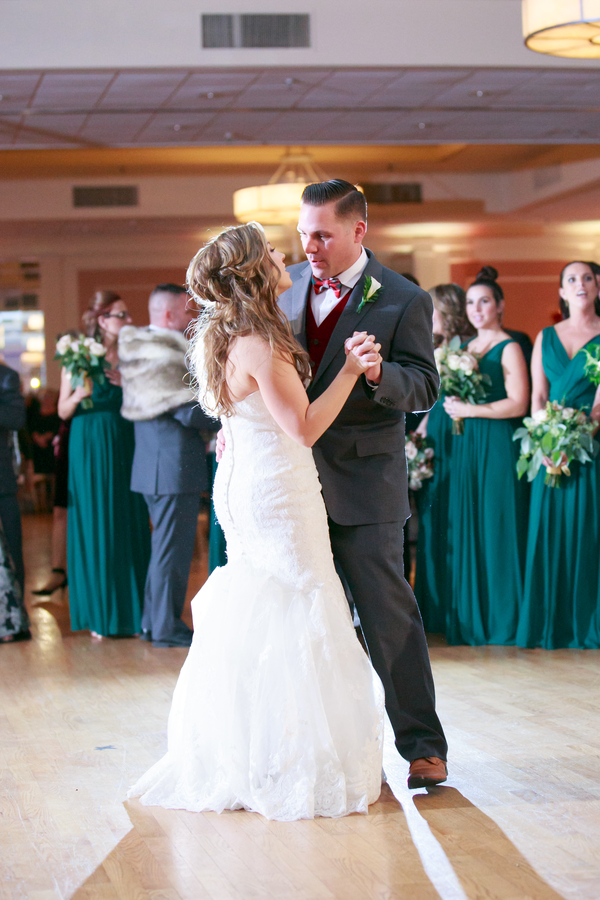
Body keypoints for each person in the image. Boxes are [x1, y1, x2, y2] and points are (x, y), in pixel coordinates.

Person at [129, 222, 385, 820]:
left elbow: (238, 412)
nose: (281, 254)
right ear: (253, 270)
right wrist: (351, 370)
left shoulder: (224, 335)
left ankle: (257, 753)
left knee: (264, 602)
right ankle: (292, 762)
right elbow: (304, 428)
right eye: (270, 250)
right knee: (302, 599)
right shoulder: (259, 342)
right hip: (277, 488)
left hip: (245, 480)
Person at [277, 180, 447, 787]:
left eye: (322, 235)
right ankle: (312, 750)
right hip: (290, 481)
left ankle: (422, 746)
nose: (310, 247)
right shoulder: (283, 285)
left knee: (387, 614)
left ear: (358, 231)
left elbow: (425, 386)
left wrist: (379, 375)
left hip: (366, 482)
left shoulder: (403, 298)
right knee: (299, 616)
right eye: (304, 234)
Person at [119, 283, 218, 648]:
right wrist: (227, 413)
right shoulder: (162, 354)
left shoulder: (141, 350)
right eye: (187, 310)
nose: (192, 317)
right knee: (171, 553)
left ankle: (153, 622)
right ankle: (165, 627)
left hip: (156, 465)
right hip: (171, 467)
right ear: (167, 313)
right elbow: (186, 412)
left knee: (165, 550)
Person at [443, 266, 530, 645]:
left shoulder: (509, 347)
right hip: (466, 445)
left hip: (496, 442)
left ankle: (503, 620)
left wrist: (469, 410)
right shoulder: (462, 349)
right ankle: (472, 619)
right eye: (470, 303)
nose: (476, 309)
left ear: (500, 306)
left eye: (484, 302)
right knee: (472, 522)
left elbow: (519, 402)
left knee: (497, 523)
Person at [517, 261, 600, 649]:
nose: (580, 284)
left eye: (587, 278)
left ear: (597, 287)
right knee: (549, 533)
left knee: (588, 532)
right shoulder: (545, 336)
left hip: (590, 450)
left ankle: (586, 623)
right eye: (572, 279)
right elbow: (537, 397)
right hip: (549, 451)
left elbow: (598, 407)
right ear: (562, 292)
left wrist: (574, 440)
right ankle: (549, 623)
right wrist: (546, 443)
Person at [58, 291, 150, 638]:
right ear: (102, 320)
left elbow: (148, 397)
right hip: (89, 443)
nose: (129, 320)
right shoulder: (78, 355)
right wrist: (78, 394)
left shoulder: (131, 353)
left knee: (127, 517)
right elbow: (62, 410)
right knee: (96, 519)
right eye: (121, 315)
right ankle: (101, 615)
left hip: (125, 438)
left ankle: (134, 613)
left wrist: (129, 382)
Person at [413, 283, 473, 632]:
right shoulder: (433, 349)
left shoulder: (467, 349)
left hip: (458, 436)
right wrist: (418, 436)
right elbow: (431, 403)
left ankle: (457, 605)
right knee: (434, 520)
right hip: (435, 434)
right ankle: (434, 606)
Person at [0, 360, 29, 642]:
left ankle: (16, 621)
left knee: (11, 549)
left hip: (1, 481)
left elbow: (16, 418)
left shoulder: (6, 376)